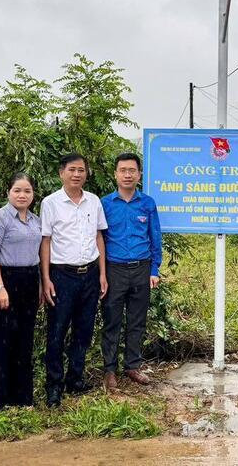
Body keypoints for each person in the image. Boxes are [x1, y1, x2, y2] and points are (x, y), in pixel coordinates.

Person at [41, 153, 108, 405]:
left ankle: (75, 379)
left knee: (84, 330)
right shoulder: (50, 203)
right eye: (72, 170)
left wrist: (102, 273)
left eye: (81, 170)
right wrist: (46, 278)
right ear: (62, 173)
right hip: (62, 275)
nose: (77, 174)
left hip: (90, 274)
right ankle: (54, 385)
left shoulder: (93, 201)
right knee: (57, 331)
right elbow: (45, 241)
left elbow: (99, 237)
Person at [100, 152, 163, 390]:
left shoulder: (147, 203)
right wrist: (102, 273)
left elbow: (154, 236)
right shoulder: (105, 204)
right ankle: (109, 370)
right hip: (114, 269)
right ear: (115, 174)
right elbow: (99, 239)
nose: (127, 175)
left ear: (139, 175)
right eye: (123, 170)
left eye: (132, 171)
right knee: (112, 320)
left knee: (137, 320)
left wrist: (154, 269)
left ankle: (132, 366)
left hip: (141, 268)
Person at [0, 173, 43, 409]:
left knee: (24, 340)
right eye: (17, 190)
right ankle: (0, 400)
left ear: (33, 194)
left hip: (29, 280)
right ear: (9, 192)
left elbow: (37, 255)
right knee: (2, 341)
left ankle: (22, 397)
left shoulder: (36, 220)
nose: (22, 195)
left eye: (27, 191)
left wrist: (38, 284)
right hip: (4, 280)